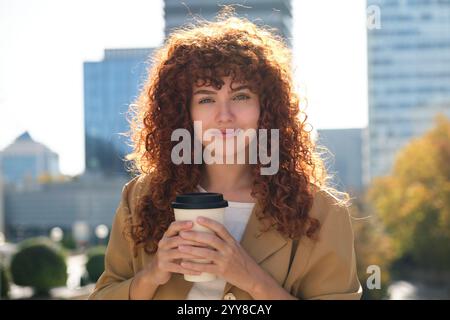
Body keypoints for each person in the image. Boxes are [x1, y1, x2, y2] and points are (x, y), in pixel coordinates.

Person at [89, 10, 362, 300]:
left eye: (241, 96)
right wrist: (152, 275)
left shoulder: (321, 213)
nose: (224, 116)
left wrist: (251, 278)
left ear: (267, 108)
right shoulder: (140, 198)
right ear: (184, 113)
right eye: (206, 99)